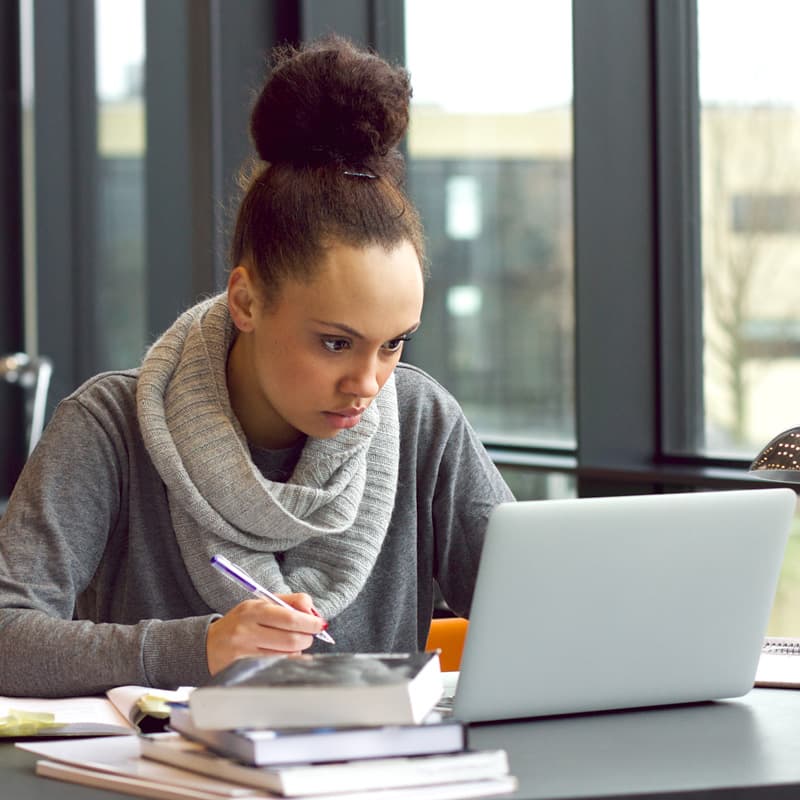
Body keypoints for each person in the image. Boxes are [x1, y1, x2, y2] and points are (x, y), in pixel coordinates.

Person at [0, 34, 514, 697]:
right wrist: (202, 646)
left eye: (393, 345)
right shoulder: (109, 427)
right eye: (335, 342)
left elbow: (543, 614)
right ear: (246, 299)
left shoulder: (421, 421)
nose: (368, 384)